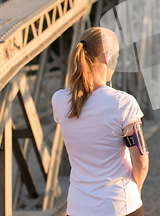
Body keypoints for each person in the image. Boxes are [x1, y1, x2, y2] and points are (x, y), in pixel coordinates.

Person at [51, 27, 148, 216]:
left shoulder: (60, 101)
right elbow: (141, 161)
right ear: (108, 57)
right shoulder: (123, 103)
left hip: (78, 207)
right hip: (119, 205)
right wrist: (135, 190)